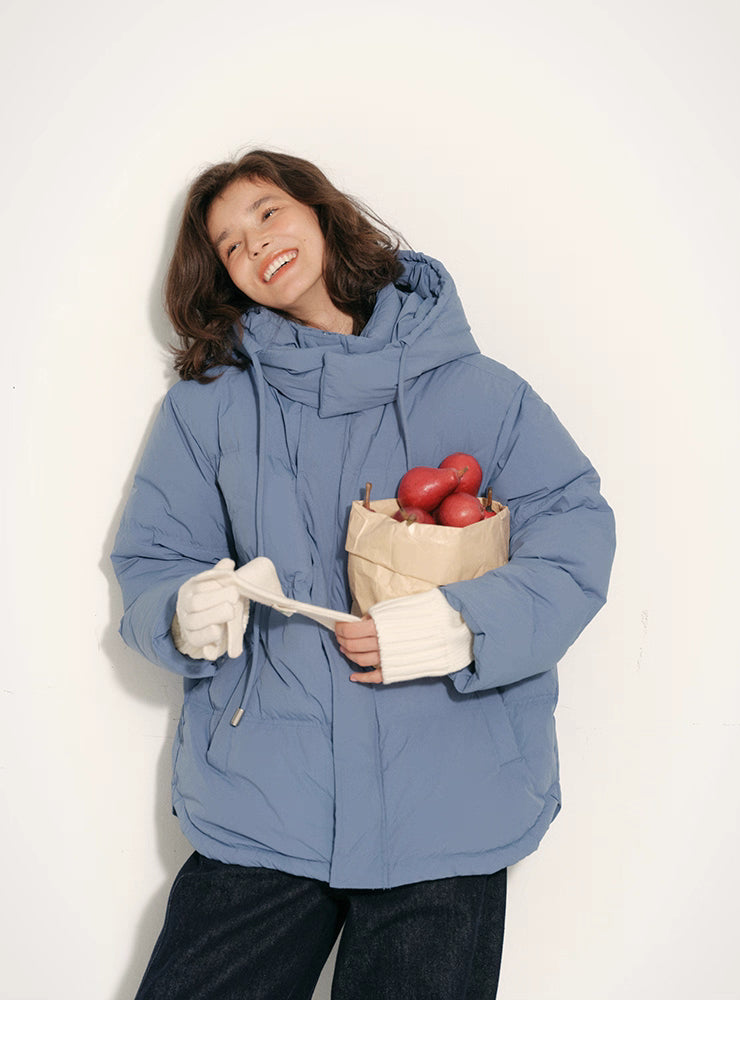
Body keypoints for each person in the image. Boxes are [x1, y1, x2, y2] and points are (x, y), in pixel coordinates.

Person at [111, 149, 616, 1000]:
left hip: (450, 801)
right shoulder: (209, 406)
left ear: (318, 209)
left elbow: (576, 532)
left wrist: (465, 626)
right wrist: (178, 611)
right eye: (230, 245)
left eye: (266, 213)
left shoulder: (483, 392)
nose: (255, 244)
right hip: (263, 803)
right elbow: (155, 558)